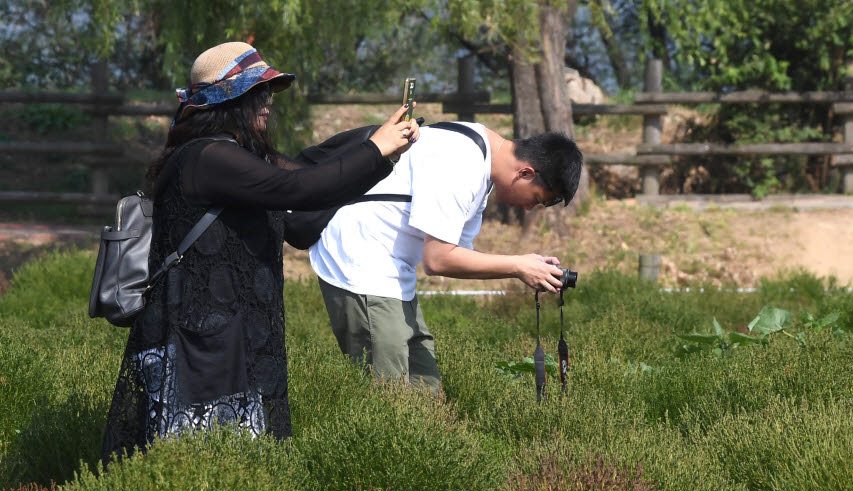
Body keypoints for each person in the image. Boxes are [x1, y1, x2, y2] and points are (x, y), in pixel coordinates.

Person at [100, 41, 420, 461]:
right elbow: (300, 188)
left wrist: (380, 151)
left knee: (239, 467)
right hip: (198, 350)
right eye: (257, 92)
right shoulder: (208, 157)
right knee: (201, 469)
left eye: (268, 92)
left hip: (229, 347)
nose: (268, 102)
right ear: (227, 101)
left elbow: (305, 213)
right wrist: (374, 149)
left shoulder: (238, 158)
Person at [309, 121, 583, 392]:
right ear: (525, 173)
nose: (530, 208)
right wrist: (517, 266)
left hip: (393, 275)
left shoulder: (481, 161)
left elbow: (459, 257)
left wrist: (527, 267)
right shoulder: (461, 162)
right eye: (537, 199)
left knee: (426, 391)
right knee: (388, 397)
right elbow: (438, 260)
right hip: (362, 265)